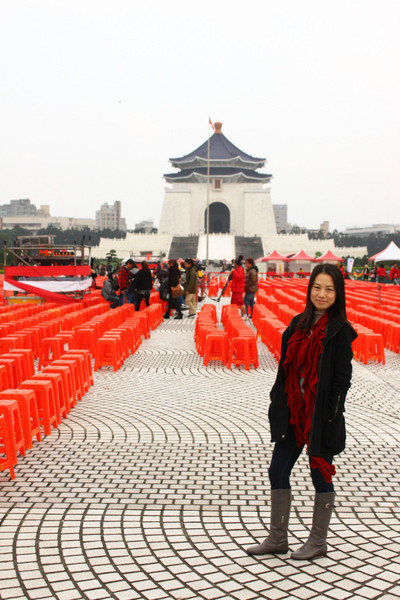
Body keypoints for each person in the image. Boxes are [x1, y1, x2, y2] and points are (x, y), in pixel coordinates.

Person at [246, 263, 357, 560]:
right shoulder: (297, 324)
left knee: (320, 475)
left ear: (338, 293)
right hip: (294, 413)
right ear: (309, 290)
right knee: (277, 471)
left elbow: (341, 381)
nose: (322, 294)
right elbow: (284, 369)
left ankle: (318, 541)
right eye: (317, 287)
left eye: (329, 289)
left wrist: (330, 416)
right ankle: (277, 537)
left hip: (321, 418)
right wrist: (278, 403)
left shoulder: (341, 332)